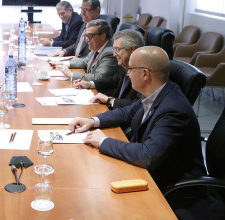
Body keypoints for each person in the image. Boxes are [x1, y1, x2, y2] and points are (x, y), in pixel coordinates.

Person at [68, 46, 206, 190]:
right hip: (146, 174)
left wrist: (103, 141)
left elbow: (147, 155)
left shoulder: (173, 110)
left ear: (145, 74)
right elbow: (126, 113)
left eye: (130, 70)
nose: (127, 74)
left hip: (172, 190)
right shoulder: (155, 93)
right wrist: (92, 120)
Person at [74, 29, 144, 110]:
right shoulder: (126, 64)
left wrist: (109, 100)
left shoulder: (143, 73)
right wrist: (89, 84)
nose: (114, 54)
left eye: (117, 49)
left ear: (132, 48)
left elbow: (137, 105)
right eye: (114, 49)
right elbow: (113, 80)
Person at [50, 19, 118, 81]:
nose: (87, 40)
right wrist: (62, 63)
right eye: (86, 36)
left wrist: (71, 74)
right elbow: (85, 61)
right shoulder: (98, 45)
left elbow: (99, 77)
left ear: (103, 36)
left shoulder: (110, 53)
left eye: (90, 36)